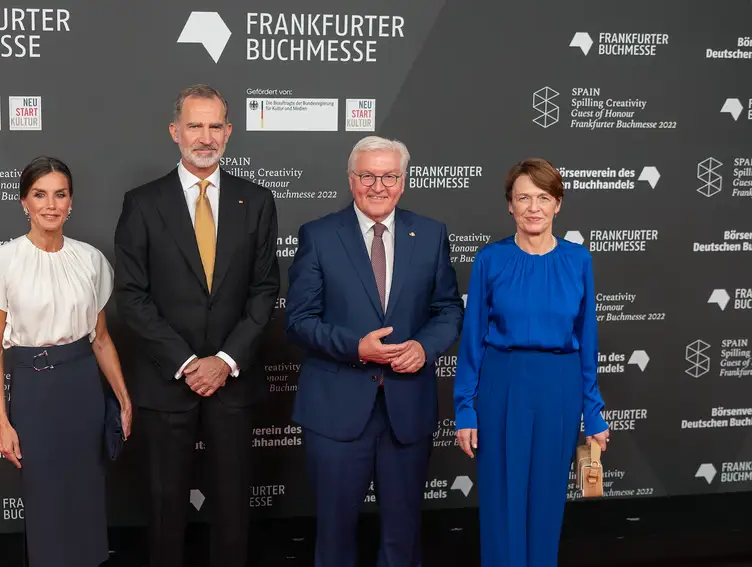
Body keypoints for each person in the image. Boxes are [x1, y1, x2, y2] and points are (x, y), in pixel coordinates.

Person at [112, 84, 280, 567]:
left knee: (232, 508)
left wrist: (225, 361)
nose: (205, 137)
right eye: (194, 125)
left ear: (228, 132)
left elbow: (265, 289)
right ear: (175, 132)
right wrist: (188, 363)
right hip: (169, 381)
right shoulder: (142, 203)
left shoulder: (257, 201)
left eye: (214, 126)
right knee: (166, 509)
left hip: (233, 379)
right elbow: (132, 295)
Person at [285, 135, 464, 567]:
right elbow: (299, 320)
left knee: (403, 535)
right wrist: (357, 348)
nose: (378, 185)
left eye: (389, 176)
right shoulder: (319, 235)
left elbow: (447, 310)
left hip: (407, 409)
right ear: (351, 180)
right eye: (367, 175)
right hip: (336, 409)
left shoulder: (431, 234)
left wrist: (424, 347)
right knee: (334, 536)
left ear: (403, 182)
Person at [0, 156, 132, 567]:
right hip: (34, 388)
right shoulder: (2, 262)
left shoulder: (91, 260)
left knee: (86, 491)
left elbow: (100, 339)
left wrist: (122, 396)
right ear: (24, 202)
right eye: (40, 195)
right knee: (45, 496)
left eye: (60, 194)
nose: (51, 204)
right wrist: (1, 420)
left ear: (71, 202)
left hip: (83, 387)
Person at [453, 157, 611, 567]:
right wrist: (465, 409)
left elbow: (587, 341)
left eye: (543, 197)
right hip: (501, 385)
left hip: (559, 387)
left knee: (546, 500)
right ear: (510, 205)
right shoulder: (490, 260)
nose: (533, 207)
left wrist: (593, 413)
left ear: (558, 204)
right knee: (501, 503)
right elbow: (471, 341)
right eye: (523, 197)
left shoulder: (579, 260)